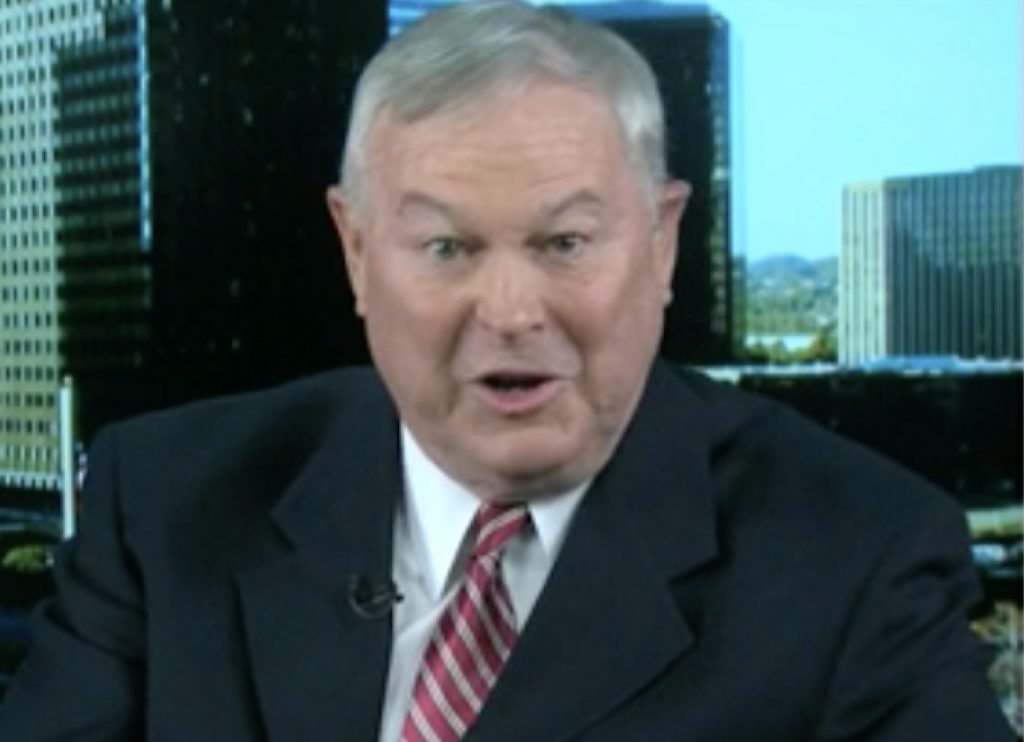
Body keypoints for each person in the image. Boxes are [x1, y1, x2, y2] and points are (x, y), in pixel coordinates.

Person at [0, 2, 1014, 740]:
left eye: (565, 243)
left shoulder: (859, 558)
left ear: (661, 241)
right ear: (357, 251)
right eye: (447, 248)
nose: (512, 312)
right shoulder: (166, 502)